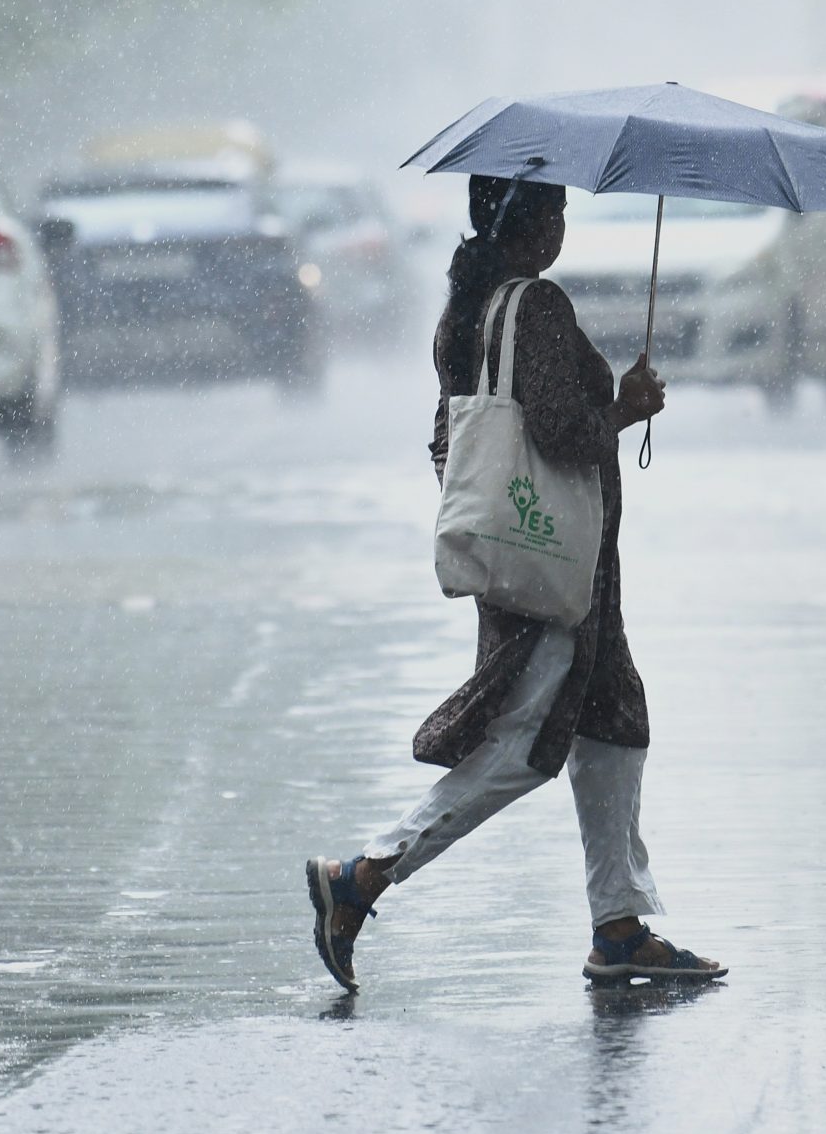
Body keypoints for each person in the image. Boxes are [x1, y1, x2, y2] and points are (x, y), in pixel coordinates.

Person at [304, 175, 724, 991]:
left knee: (615, 723)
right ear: (532, 225)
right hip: (557, 567)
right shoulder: (537, 308)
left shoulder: (465, 314)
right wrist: (628, 407)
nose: (563, 227)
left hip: (540, 557)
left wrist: (496, 522)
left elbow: (449, 437)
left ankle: (620, 926)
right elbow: (564, 433)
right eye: (556, 211)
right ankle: (363, 874)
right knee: (529, 748)